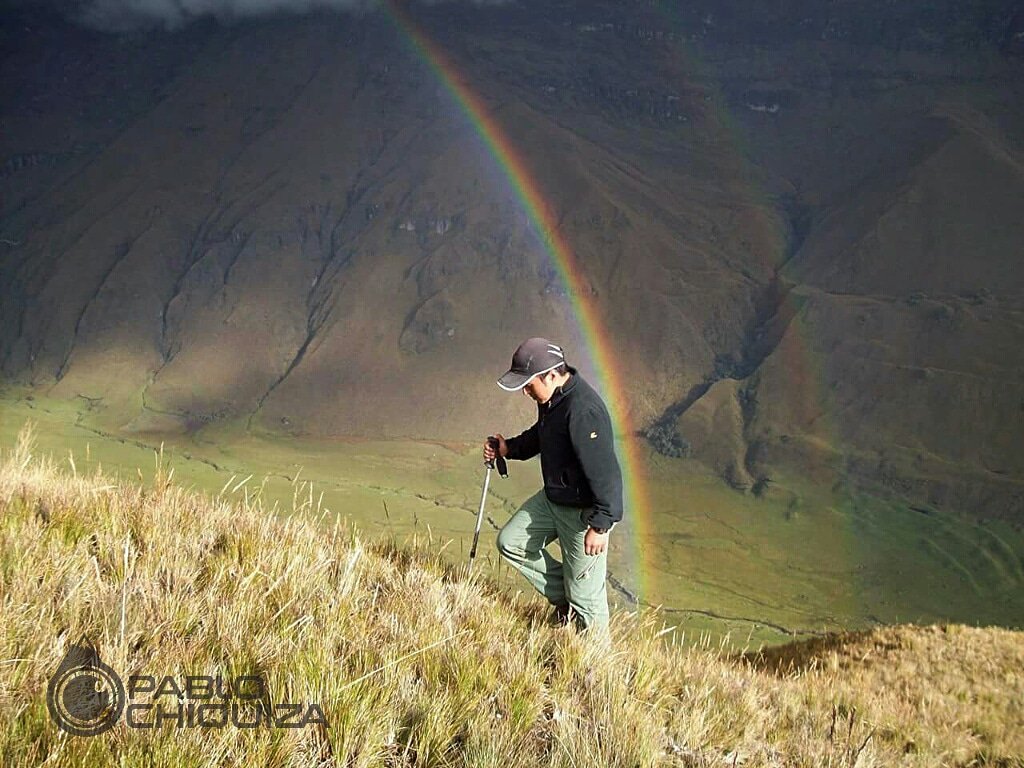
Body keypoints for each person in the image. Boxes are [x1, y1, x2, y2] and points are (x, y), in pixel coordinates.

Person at [483, 337, 624, 631]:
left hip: (582, 514)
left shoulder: (583, 411)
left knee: (588, 600)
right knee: (511, 543)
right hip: (553, 500)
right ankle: (567, 599)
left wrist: (601, 525)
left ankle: (598, 666)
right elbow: (543, 434)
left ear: (551, 375)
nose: (525, 392)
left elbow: (607, 471)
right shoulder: (552, 399)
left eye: (529, 384)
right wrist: (509, 448)